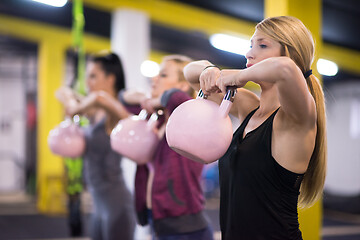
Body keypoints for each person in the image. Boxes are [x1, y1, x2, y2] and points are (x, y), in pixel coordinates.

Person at [183, 16, 327, 239]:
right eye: (250, 45)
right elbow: (190, 74)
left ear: (289, 53)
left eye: (262, 45)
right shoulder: (249, 107)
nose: (249, 53)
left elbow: (286, 69)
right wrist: (209, 70)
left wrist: (240, 75)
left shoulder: (296, 117)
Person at [121, 55, 214, 240]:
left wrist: (156, 100)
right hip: (160, 222)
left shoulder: (190, 115)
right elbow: (124, 97)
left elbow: (175, 97)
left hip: (184, 227)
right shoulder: (158, 119)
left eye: (163, 75)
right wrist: (146, 99)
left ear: (183, 85)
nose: (154, 79)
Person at [56, 52, 136, 240]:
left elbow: (101, 98)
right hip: (97, 203)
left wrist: (76, 108)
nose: (88, 83)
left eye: (93, 76)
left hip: (116, 204)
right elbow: (61, 91)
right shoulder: (93, 111)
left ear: (110, 78)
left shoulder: (115, 111)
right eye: (87, 77)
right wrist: (71, 103)